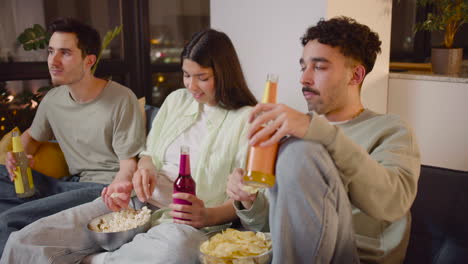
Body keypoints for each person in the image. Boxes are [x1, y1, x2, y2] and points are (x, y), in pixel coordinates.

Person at [1, 28, 258, 264]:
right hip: (133, 206)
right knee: (25, 240)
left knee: (175, 250)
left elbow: (249, 199)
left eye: (202, 77)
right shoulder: (177, 100)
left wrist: (209, 216)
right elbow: (148, 155)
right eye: (186, 75)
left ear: (224, 74)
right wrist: (142, 170)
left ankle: (92, 259)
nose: (190, 86)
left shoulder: (247, 119)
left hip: (185, 225)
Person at [226, 16, 421, 264]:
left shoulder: (391, 130)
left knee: (301, 151)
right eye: (303, 67)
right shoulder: (295, 133)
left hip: (355, 257)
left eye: (318, 67)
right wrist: (249, 200)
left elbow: (394, 202)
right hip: (289, 254)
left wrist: (317, 132)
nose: (304, 78)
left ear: (356, 75)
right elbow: (279, 226)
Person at [0, 18, 145, 254]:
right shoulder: (53, 100)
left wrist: (117, 192)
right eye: (51, 51)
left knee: (9, 219)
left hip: (100, 189)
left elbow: (129, 164)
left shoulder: (121, 98)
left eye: (65, 53)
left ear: (89, 61)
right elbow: (31, 138)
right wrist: (18, 157)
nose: (53, 61)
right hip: (66, 186)